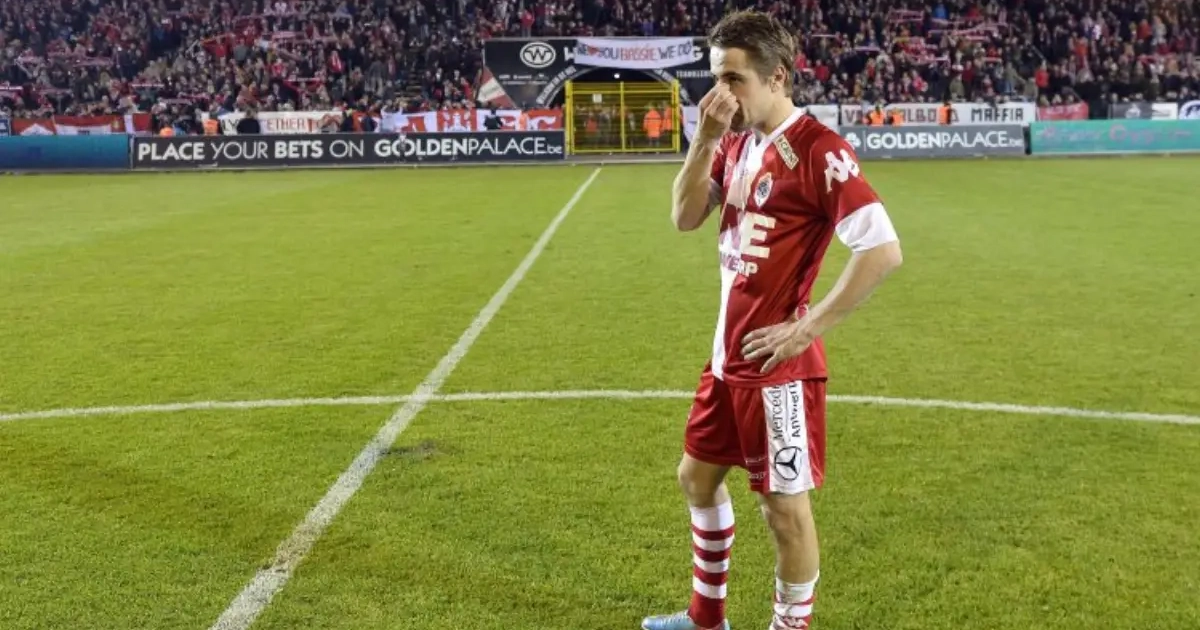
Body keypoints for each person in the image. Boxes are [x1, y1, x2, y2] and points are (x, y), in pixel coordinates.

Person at [643, 10, 904, 630]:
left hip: (777, 371)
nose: (720, 93)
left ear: (777, 76)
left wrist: (804, 329)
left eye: (733, 79)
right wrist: (705, 139)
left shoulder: (818, 150)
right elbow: (684, 217)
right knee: (696, 479)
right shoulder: (734, 141)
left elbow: (882, 250)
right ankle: (706, 619)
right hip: (726, 359)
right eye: (715, 77)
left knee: (784, 513)